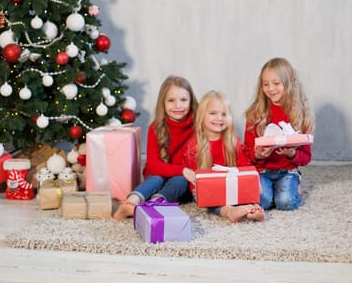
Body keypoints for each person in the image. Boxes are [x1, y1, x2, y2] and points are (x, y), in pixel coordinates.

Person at [113, 76, 198, 220]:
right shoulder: (156, 127)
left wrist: (184, 173)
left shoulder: (198, 125)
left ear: (191, 101)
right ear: (163, 103)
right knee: (156, 178)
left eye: (183, 100)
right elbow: (153, 165)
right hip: (160, 173)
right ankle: (130, 202)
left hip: (182, 181)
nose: (178, 106)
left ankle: (153, 205)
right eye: (171, 100)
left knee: (179, 180)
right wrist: (182, 170)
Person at [182, 90, 265, 223]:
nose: (219, 118)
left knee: (253, 193)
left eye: (224, 114)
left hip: (231, 185)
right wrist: (196, 190)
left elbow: (245, 167)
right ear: (202, 116)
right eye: (213, 113)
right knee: (214, 200)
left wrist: (254, 182)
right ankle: (229, 211)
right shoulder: (194, 145)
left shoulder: (233, 141)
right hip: (208, 191)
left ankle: (253, 209)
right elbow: (192, 175)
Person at [244, 57, 315, 211]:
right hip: (262, 170)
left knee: (286, 202)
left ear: (288, 84)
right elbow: (246, 152)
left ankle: (295, 186)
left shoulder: (299, 115)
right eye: (265, 84)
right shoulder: (255, 114)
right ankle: (276, 190)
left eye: (276, 83)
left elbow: (306, 157)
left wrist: (292, 153)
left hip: (287, 171)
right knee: (262, 202)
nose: (270, 89)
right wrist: (258, 155)